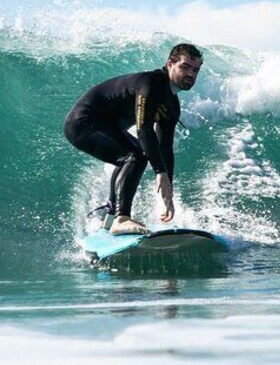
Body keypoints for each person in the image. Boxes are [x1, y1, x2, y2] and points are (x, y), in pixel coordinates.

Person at [63, 43, 203, 235]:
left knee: (132, 154)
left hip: (106, 127)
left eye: (195, 70)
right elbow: (144, 129)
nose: (191, 74)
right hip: (83, 123)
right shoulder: (151, 83)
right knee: (135, 155)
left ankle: (111, 217)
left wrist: (168, 189)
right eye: (185, 67)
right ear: (170, 64)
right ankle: (122, 219)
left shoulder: (172, 105)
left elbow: (165, 147)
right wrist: (159, 173)